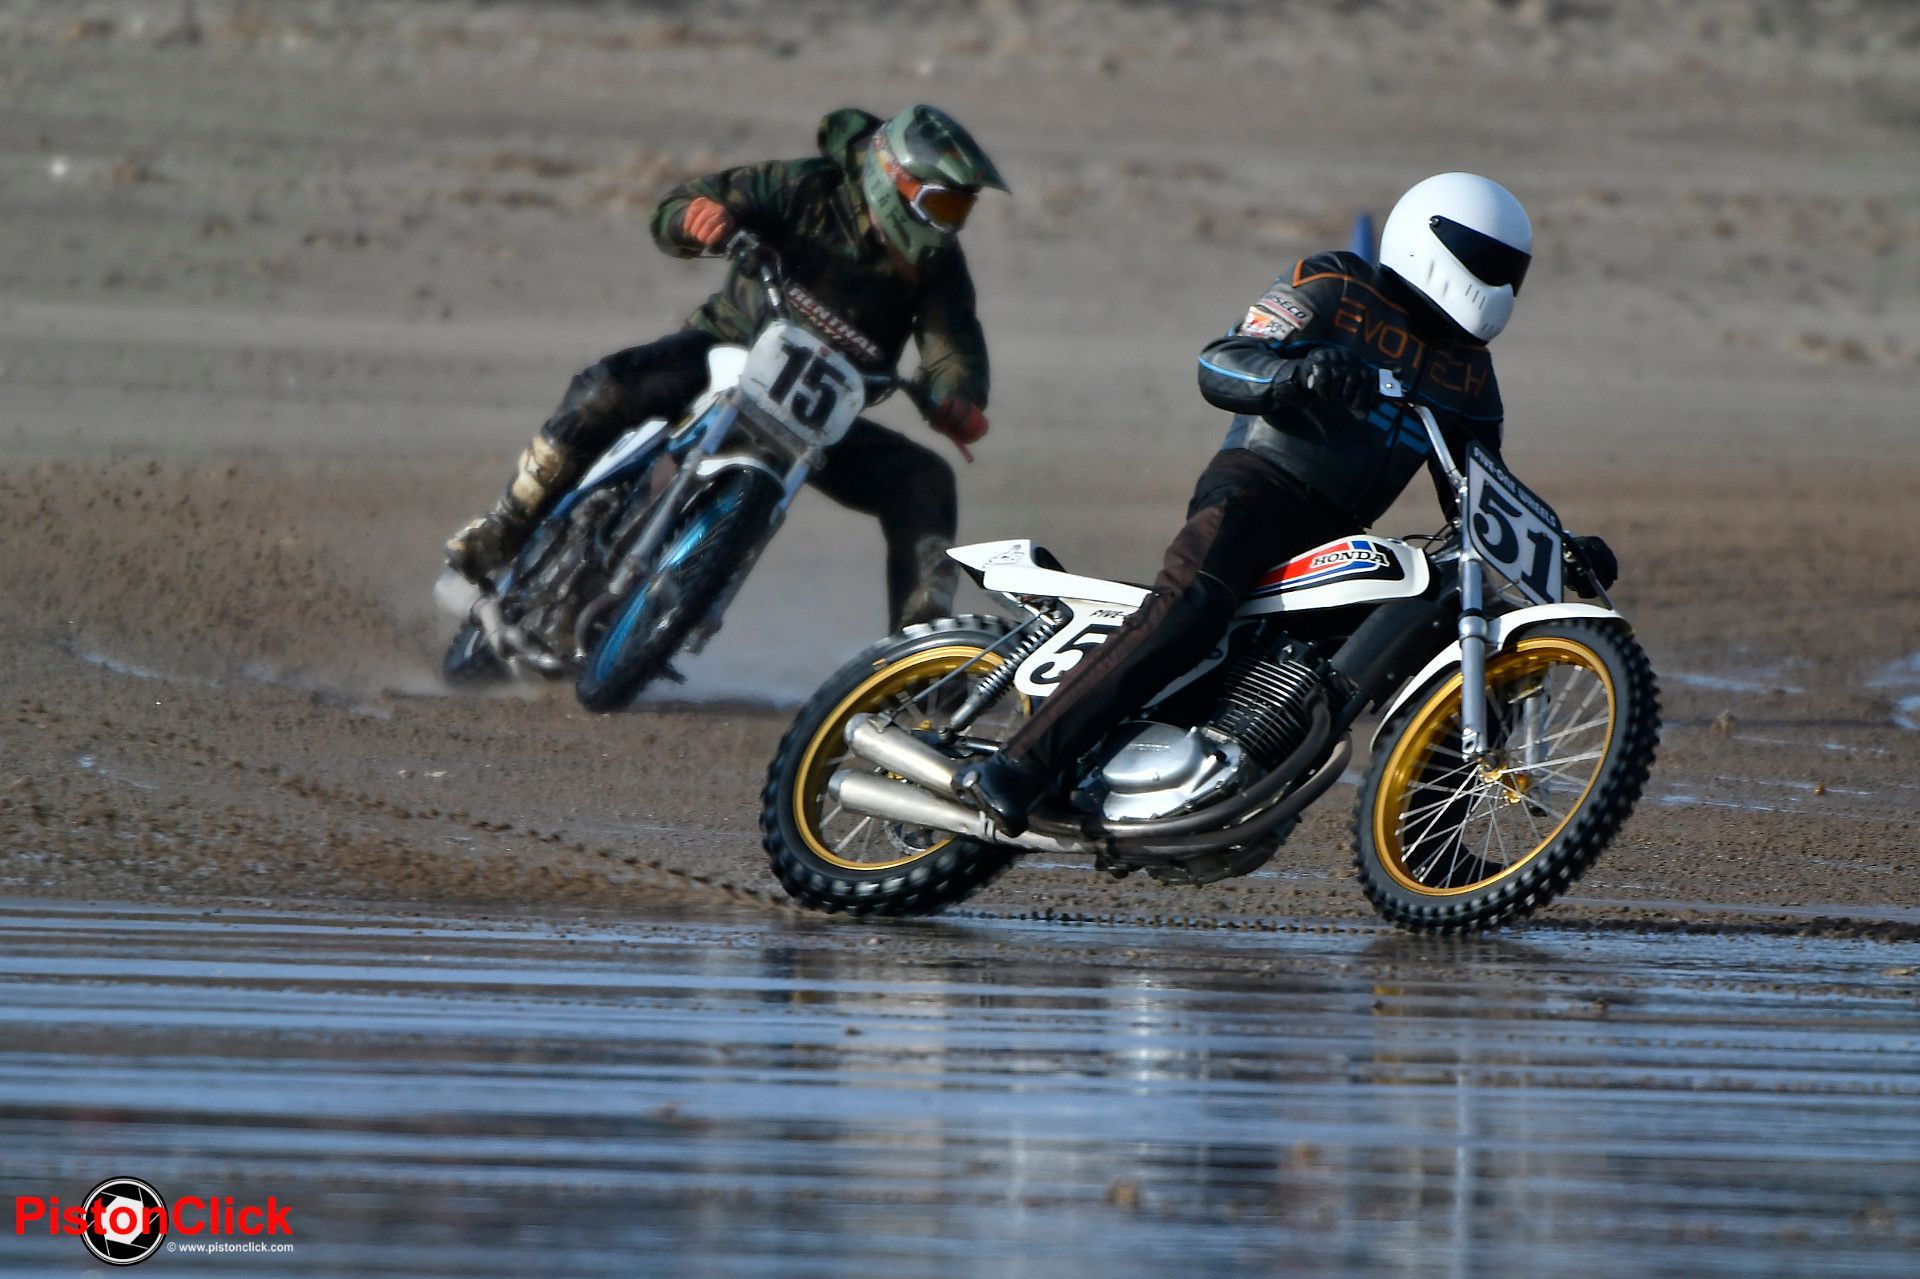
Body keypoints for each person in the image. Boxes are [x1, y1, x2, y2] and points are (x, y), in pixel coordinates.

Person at [958, 172, 1617, 834]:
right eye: (1488, 262)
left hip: (1338, 538)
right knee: (1191, 605)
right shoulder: (1336, 284)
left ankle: (1430, 841)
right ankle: (1016, 765)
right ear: (1430, 240)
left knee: (1444, 630)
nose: (1500, 282)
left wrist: (1556, 543)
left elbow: (1477, 485)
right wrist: (1294, 375)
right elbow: (1221, 362)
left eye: (1511, 270)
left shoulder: (1471, 372)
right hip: (1256, 488)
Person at [445, 105, 1007, 630]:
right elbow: (679, 208)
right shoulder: (806, 187)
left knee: (925, 480)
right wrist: (697, 220)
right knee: (605, 387)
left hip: (819, 410)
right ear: (892, 177)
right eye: (942, 203)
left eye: (961, 209)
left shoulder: (938, 267)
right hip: (723, 353)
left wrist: (958, 395)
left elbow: (952, 343)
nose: (949, 224)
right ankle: (506, 527)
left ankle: (920, 651)